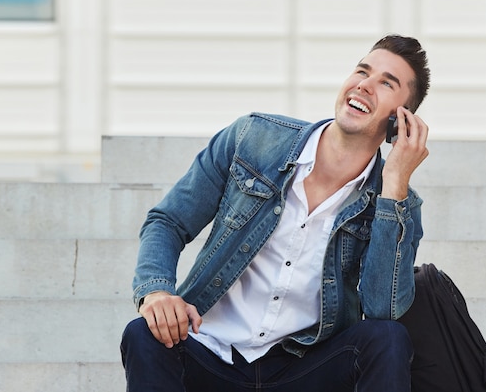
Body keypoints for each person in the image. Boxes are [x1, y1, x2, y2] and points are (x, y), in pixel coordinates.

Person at [121, 34, 430, 392]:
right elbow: (168, 221)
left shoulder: (397, 202)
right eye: (362, 71)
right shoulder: (253, 138)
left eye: (386, 83)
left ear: (402, 120)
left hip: (303, 367)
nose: (364, 85)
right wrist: (156, 292)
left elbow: (382, 310)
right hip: (211, 349)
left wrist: (393, 187)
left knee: (388, 338)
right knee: (144, 333)